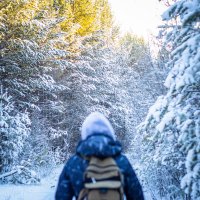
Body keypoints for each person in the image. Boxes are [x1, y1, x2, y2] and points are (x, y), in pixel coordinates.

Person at [55, 112, 144, 200]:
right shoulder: (121, 161)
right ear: (110, 133)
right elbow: (137, 195)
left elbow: (61, 197)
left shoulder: (74, 162)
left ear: (85, 133)